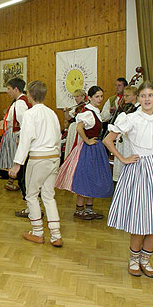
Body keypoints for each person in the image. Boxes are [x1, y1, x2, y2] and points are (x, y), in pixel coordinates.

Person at [104, 81, 153, 278]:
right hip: (138, 169)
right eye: (143, 96)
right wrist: (122, 158)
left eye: (150, 95)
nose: (147, 99)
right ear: (138, 98)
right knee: (140, 218)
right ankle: (133, 259)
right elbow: (108, 139)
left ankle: (146, 260)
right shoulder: (131, 118)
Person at [9, 81, 63, 247]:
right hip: (54, 157)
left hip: (39, 158)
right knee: (48, 195)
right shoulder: (52, 113)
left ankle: (38, 232)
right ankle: (56, 234)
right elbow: (58, 136)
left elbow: (25, 140)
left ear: (30, 96)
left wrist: (17, 164)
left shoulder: (30, 115)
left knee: (31, 195)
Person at [55, 86, 113, 220]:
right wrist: (87, 141)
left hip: (95, 148)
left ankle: (88, 208)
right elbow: (79, 127)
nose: (100, 99)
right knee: (86, 177)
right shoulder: (88, 112)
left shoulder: (94, 111)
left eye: (101, 96)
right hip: (89, 149)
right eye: (97, 96)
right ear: (90, 97)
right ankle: (80, 209)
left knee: (93, 177)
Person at [0, 78, 32, 204]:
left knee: (19, 164)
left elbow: (24, 123)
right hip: (16, 134)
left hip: (17, 135)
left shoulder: (20, 103)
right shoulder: (20, 101)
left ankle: (27, 197)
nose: (7, 91)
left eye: (9, 89)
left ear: (16, 89)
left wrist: (20, 138)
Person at [111, 85, 140, 182]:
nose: (125, 98)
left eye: (127, 95)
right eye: (124, 95)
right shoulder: (129, 108)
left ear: (135, 96)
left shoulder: (138, 109)